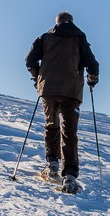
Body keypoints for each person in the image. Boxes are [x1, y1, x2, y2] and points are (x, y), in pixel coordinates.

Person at [25, 11, 100, 193]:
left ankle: (52, 165)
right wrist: (92, 79)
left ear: (56, 22)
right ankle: (70, 176)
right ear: (71, 22)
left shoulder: (44, 38)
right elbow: (93, 64)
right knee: (69, 131)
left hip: (48, 90)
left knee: (51, 126)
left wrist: (38, 78)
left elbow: (29, 60)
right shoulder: (79, 38)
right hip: (71, 92)